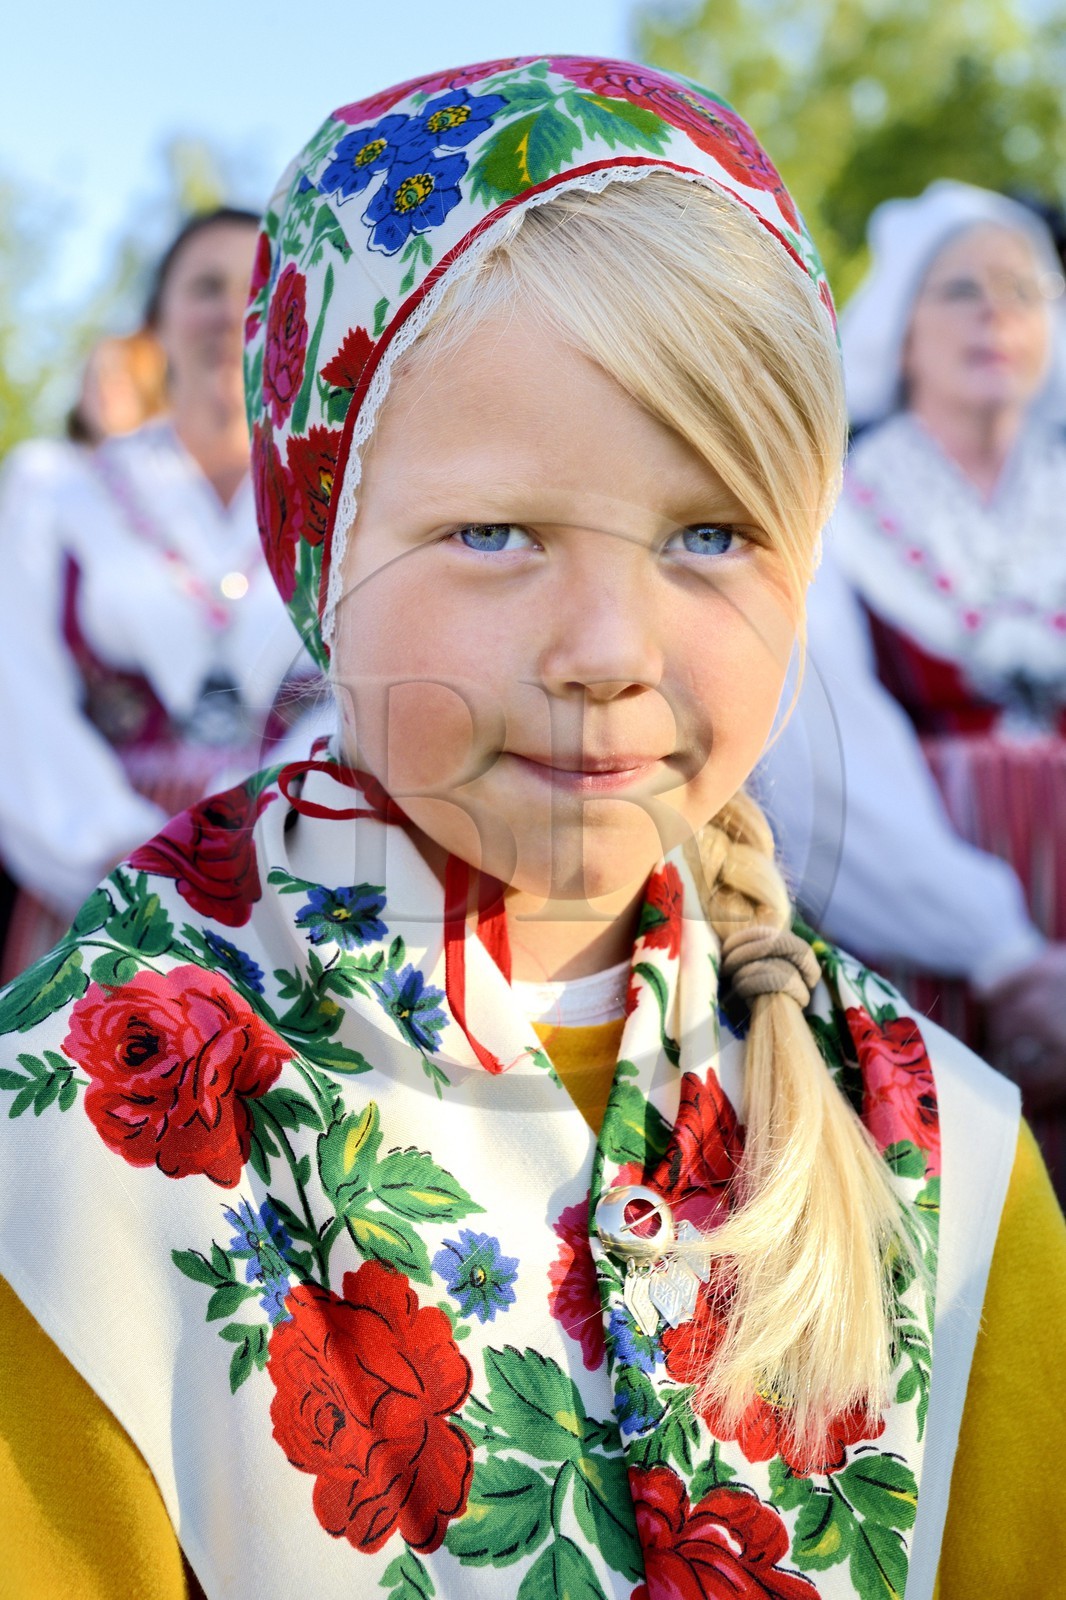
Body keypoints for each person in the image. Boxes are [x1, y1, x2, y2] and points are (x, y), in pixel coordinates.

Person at [0, 60, 1062, 1600]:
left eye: (710, 532)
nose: (607, 645)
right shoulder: (78, 1149)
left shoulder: (946, 1159)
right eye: (493, 531)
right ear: (316, 542)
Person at [762, 181, 1066, 1196]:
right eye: (960, 289)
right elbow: (821, 766)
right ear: (897, 326)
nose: (996, 313)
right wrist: (1002, 953)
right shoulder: (825, 522)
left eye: (1023, 289)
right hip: (916, 972)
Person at [0, 208, 309, 982]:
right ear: (156, 321)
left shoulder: (341, 496)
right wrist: (142, 867)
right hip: (101, 895)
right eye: (206, 286)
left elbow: (370, 692)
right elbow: (18, 699)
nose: (233, 310)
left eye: (261, 288)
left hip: (299, 888)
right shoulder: (59, 488)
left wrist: (279, 854)